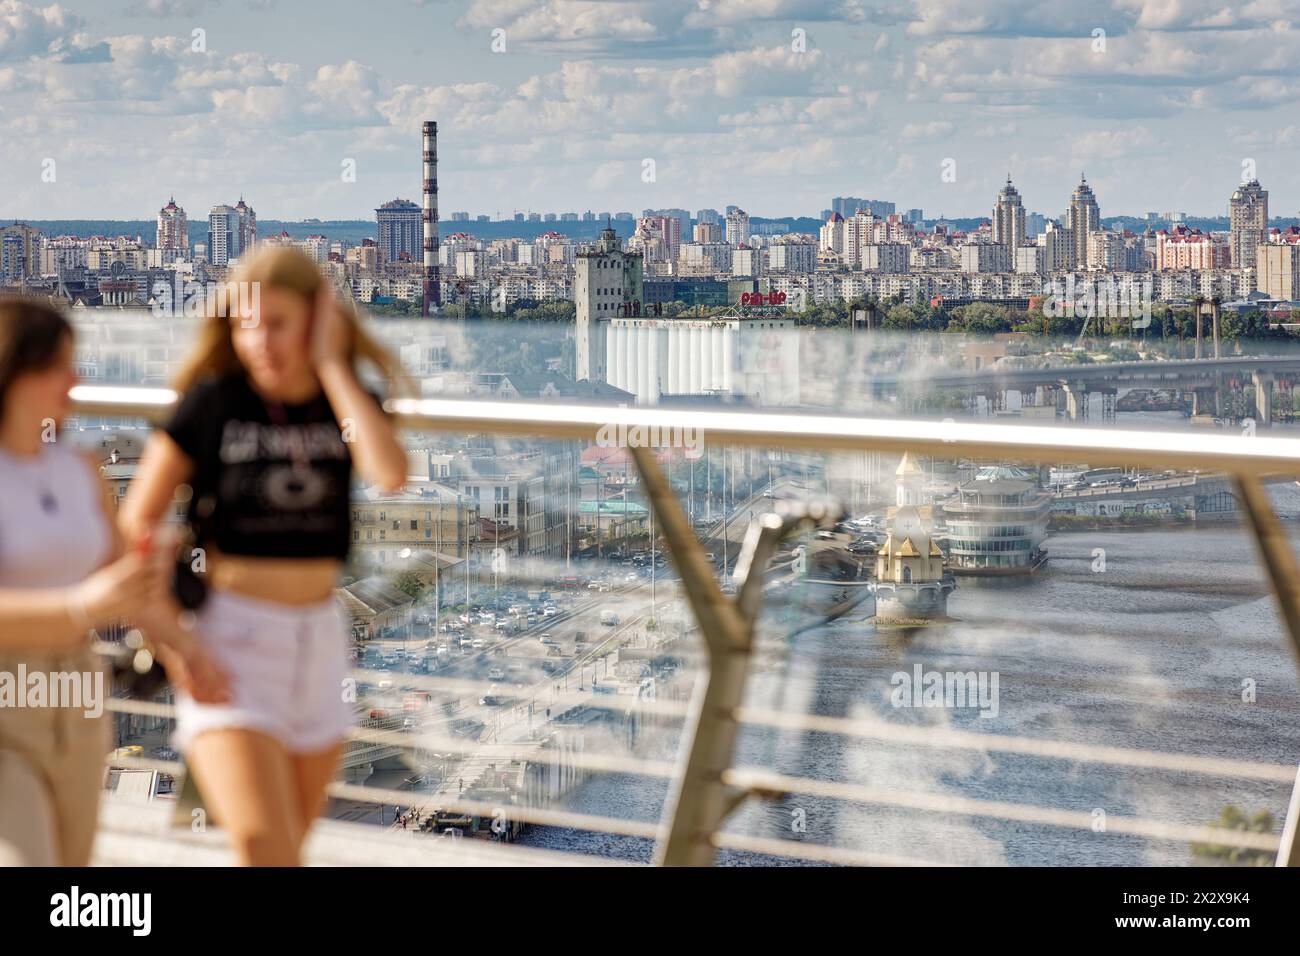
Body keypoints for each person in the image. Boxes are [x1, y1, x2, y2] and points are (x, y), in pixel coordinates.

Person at [120, 247, 407, 866]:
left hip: (321, 645)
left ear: (316, 319)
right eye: (245, 323)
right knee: (262, 847)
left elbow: (390, 472)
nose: (259, 341)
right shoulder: (212, 405)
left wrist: (332, 364)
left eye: (277, 322)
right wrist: (178, 644)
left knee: (287, 852)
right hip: (231, 642)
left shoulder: (343, 399)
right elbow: (133, 526)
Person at [0, 299, 224, 866]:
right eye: (59, 367)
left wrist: (189, 654)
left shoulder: (80, 470)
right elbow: (93, 597)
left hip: (77, 696)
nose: (76, 382)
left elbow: (127, 584)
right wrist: (79, 606)